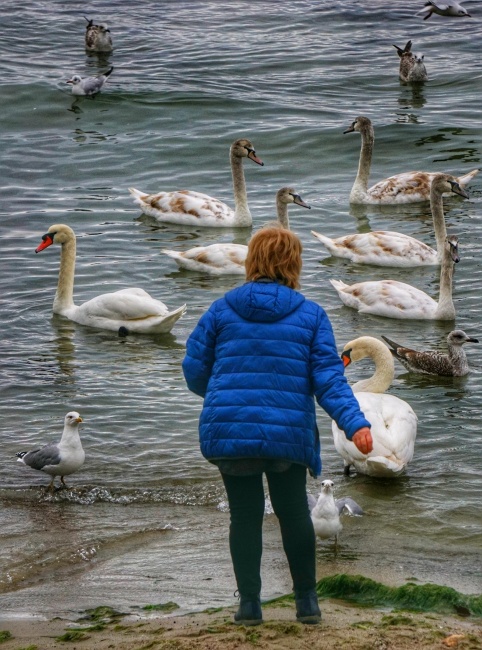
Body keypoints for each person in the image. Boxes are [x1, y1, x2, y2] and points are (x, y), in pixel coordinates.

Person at [182, 225, 373, 626]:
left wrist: (225, 398)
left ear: (251, 261)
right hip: (287, 436)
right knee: (293, 513)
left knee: (244, 516)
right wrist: (355, 423)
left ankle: (249, 605)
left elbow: (194, 370)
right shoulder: (310, 315)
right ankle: (307, 603)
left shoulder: (221, 309)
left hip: (230, 431)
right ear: (294, 264)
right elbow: (329, 379)